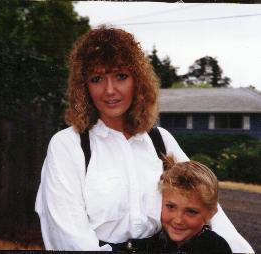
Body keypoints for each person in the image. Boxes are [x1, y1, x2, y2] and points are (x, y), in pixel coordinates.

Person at [35, 25, 254, 252]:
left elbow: (207, 206)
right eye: (97, 78)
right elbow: (69, 236)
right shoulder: (68, 145)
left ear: (137, 81)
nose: (110, 90)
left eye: (121, 76)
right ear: (84, 87)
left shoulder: (161, 140)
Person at [158, 155, 232, 253]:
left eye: (191, 211)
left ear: (211, 213)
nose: (178, 220)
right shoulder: (151, 243)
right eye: (171, 206)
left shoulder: (217, 247)